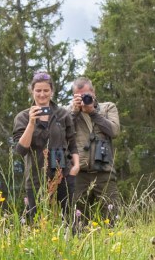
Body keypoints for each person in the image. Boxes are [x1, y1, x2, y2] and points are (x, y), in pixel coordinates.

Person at [12, 71, 79, 222]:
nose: (42, 94)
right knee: (37, 223)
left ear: (52, 92)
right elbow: (21, 150)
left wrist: (76, 166)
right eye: (38, 90)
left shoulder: (63, 114)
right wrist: (31, 123)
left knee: (69, 221)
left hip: (64, 174)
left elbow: (72, 142)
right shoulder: (22, 117)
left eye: (46, 90)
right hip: (36, 178)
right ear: (32, 92)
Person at [69, 77, 120, 226]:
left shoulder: (107, 108)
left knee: (112, 217)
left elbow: (114, 131)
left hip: (104, 172)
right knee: (76, 221)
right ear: (74, 97)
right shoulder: (69, 112)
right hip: (79, 173)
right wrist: (74, 113)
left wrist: (93, 113)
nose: (84, 99)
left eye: (86, 94)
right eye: (79, 96)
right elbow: (62, 135)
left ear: (93, 92)